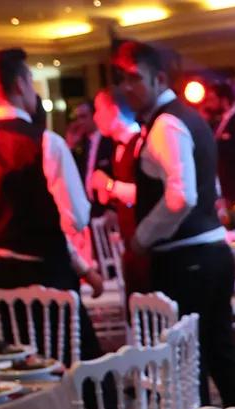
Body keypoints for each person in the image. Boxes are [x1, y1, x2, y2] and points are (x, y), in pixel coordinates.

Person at [111, 39, 235, 409]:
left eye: (135, 78)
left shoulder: (167, 124)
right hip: (209, 253)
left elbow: (182, 196)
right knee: (220, 354)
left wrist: (142, 237)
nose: (127, 88)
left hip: (187, 260)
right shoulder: (184, 118)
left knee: (190, 363)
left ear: (159, 79)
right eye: (122, 80)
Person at [0, 47, 102, 364]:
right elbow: (77, 217)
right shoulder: (47, 142)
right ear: (20, 84)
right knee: (66, 361)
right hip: (49, 274)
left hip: (0, 276)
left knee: (12, 363)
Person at [85, 88, 149, 295]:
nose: (95, 117)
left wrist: (110, 186)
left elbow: (148, 193)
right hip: (130, 241)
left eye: (98, 110)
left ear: (114, 111)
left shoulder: (142, 143)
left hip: (147, 244)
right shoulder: (117, 146)